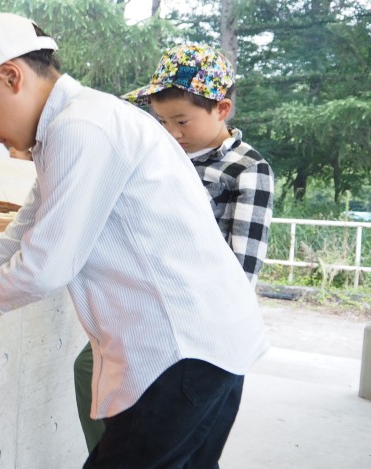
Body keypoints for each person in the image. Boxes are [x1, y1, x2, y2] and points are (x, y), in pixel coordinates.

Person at [0, 12, 268, 468]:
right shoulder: (71, 127)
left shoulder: (81, 128)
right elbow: (20, 233)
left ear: (10, 76)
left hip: (180, 354)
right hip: (208, 348)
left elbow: (45, 265)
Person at [72, 43, 276, 452]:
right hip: (143, 305)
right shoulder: (158, 152)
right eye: (162, 121)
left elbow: (241, 270)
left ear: (222, 109)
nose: (172, 132)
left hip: (199, 320)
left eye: (181, 121)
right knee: (88, 366)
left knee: (182, 440)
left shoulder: (246, 169)